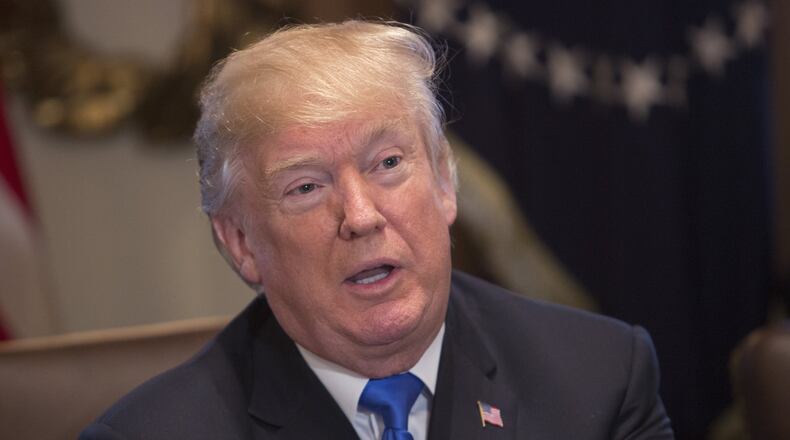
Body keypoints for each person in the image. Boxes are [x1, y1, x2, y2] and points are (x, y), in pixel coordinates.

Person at [80, 20, 674, 439]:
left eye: (388, 164)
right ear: (240, 243)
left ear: (445, 183)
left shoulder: (600, 378)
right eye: (306, 187)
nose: (361, 216)